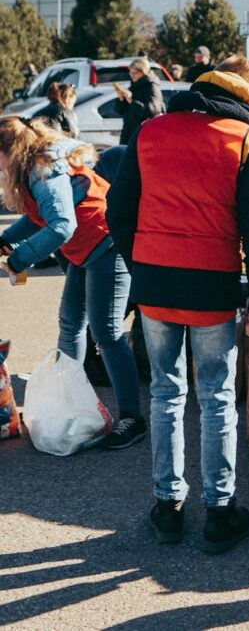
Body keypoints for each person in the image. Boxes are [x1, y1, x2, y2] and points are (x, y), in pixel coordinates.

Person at [106, 56, 249, 552]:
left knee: (164, 393)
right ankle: (220, 511)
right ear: (247, 98)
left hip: (156, 282)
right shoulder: (245, 141)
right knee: (217, 397)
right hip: (212, 285)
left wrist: (141, 265)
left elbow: (118, 210)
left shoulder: (150, 131)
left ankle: (168, 507)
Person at [0, 116, 145, 449]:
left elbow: (61, 226)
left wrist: (19, 259)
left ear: (9, 151)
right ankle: (70, 403)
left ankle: (131, 419)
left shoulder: (43, 170)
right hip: (86, 249)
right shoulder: (36, 166)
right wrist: (7, 239)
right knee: (71, 325)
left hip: (107, 243)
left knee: (107, 332)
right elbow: (39, 216)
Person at [114, 57, 165, 145]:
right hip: (128, 134)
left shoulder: (152, 87)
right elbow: (119, 111)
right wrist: (121, 99)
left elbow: (152, 112)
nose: (132, 75)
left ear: (143, 72)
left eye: (135, 73)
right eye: (130, 73)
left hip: (144, 135)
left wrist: (131, 101)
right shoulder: (134, 86)